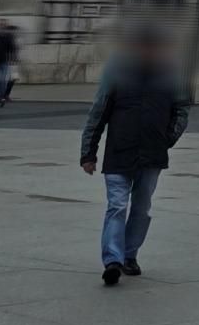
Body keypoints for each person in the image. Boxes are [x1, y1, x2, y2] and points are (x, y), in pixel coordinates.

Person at [80, 17, 189, 286]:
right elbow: (98, 113)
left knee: (142, 208)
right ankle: (113, 260)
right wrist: (88, 152)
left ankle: (129, 255)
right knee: (117, 206)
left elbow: (181, 111)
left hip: (152, 152)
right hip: (119, 150)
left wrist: (167, 139)